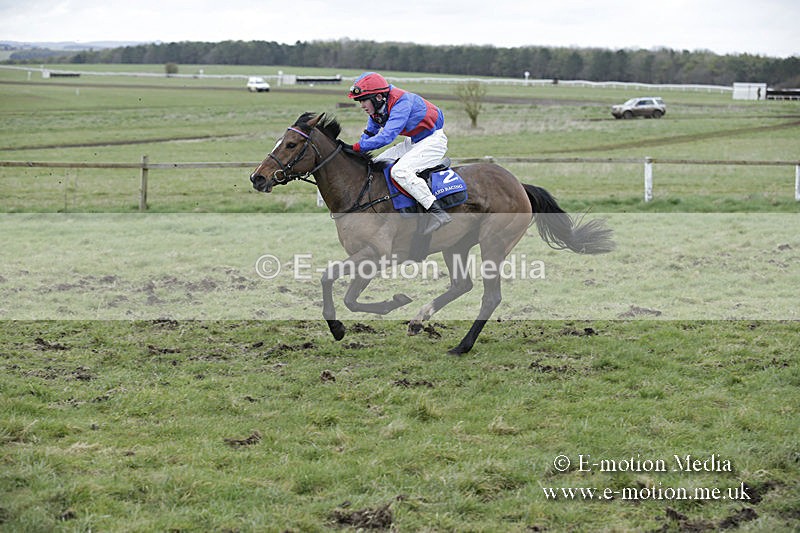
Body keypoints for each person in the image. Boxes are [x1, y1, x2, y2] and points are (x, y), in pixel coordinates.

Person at [347, 72, 451, 235]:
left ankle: (437, 212)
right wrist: (356, 152)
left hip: (433, 140)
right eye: (359, 101)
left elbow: (387, 136)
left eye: (363, 100)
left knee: (400, 171)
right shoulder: (377, 108)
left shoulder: (401, 102)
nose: (362, 105)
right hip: (414, 141)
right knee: (375, 164)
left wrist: (356, 147)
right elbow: (370, 133)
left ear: (378, 97)